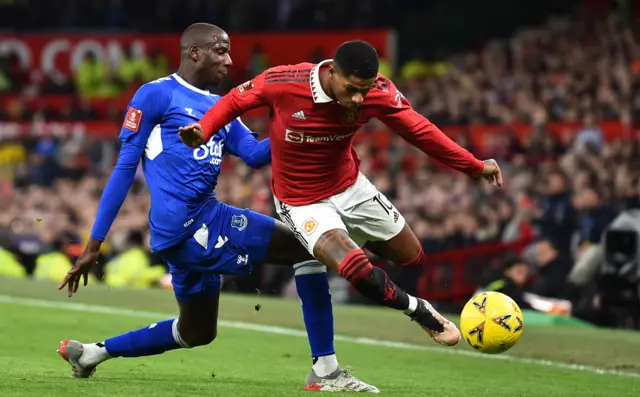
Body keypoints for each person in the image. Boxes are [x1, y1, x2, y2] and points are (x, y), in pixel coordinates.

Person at [57, 24, 378, 393]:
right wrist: (94, 244)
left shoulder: (221, 107)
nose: (229, 59)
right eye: (220, 51)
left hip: (195, 226)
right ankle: (325, 370)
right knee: (308, 246)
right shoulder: (156, 95)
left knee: (196, 331)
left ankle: (91, 354)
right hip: (188, 226)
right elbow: (124, 168)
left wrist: (298, 119)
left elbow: (256, 156)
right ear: (195, 53)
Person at [179, 40, 503, 346]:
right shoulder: (284, 81)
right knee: (357, 270)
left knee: (412, 257)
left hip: (351, 188)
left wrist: (473, 165)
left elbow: (420, 131)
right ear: (332, 71)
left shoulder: (378, 92)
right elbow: (235, 99)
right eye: (352, 89)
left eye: (364, 90)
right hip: (301, 201)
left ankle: (345, 243)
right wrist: (204, 129)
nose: (359, 99)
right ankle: (418, 310)